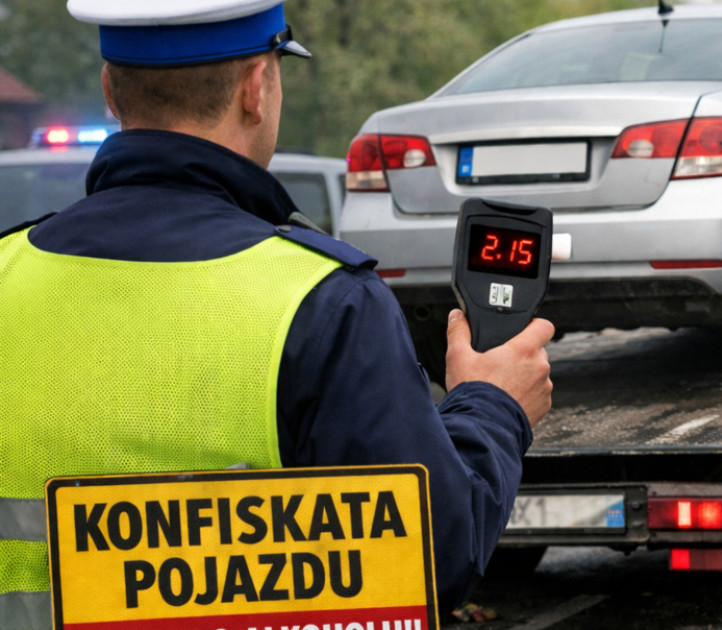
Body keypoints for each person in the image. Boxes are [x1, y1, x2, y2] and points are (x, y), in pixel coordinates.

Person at [0, 1, 554, 625]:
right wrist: (492, 403)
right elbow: (432, 559)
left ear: (110, 90)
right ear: (256, 89)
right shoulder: (325, 301)